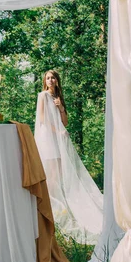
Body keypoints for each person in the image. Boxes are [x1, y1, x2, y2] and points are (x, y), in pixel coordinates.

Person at [34, 70, 103, 243]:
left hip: (58, 142)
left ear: (57, 81)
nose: (50, 80)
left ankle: (59, 211)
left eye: (53, 77)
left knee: (57, 177)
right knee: (49, 178)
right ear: (45, 80)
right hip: (48, 140)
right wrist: (57, 131)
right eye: (48, 78)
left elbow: (64, 122)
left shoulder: (57, 99)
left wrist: (61, 108)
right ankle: (50, 213)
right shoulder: (42, 96)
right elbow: (42, 119)